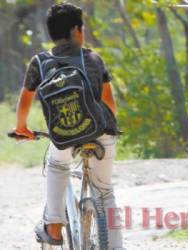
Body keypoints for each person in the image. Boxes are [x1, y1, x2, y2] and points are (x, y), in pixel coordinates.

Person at [12, 3, 124, 249]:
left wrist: (22, 128)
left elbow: (25, 100)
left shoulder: (40, 62)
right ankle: (116, 246)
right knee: (105, 192)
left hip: (64, 136)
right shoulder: (93, 58)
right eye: (82, 28)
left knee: (57, 164)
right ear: (76, 30)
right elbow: (109, 103)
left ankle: (53, 225)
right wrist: (109, 127)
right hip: (101, 132)